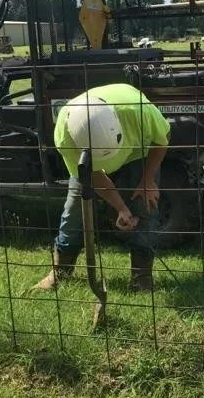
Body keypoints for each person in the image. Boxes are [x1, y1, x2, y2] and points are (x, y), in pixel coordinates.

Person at [34, 83, 170, 292]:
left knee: (146, 205)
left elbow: (162, 140)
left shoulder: (138, 111)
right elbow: (92, 176)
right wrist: (121, 208)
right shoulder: (65, 135)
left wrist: (147, 181)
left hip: (137, 153)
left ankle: (142, 278)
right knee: (74, 212)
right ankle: (59, 271)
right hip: (88, 165)